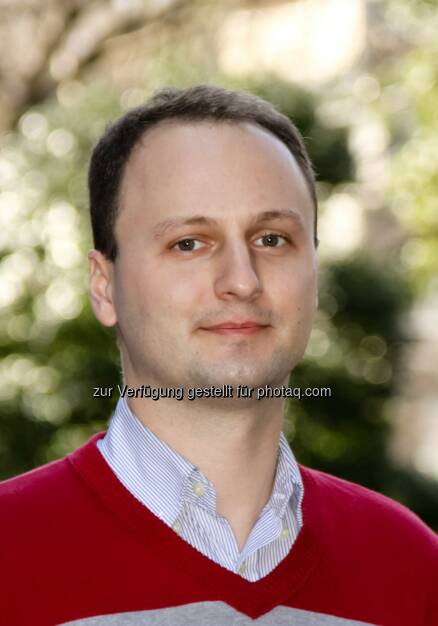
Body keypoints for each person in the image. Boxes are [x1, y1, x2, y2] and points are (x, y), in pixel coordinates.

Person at [1, 84, 437, 626]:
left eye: (272, 239)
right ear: (104, 286)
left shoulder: (411, 568)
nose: (241, 281)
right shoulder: (9, 556)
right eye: (189, 242)